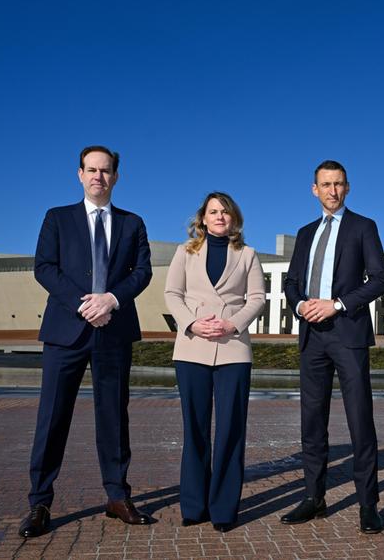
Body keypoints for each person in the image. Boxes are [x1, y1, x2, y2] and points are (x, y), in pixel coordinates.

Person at [19, 146, 153, 538]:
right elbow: (44, 267)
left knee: (113, 417)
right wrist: (85, 305)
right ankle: (40, 502)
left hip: (114, 330)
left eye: (106, 170)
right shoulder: (57, 219)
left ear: (115, 177)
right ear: (79, 174)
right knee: (52, 418)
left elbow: (142, 272)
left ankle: (116, 496)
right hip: (66, 333)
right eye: (91, 170)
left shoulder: (132, 223)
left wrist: (111, 299)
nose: (98, 176)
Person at [281, 160, 384, 534]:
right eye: (325, 185)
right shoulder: (305, 232)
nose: (332, 191)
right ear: (315, 189)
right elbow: (291, 282)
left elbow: (379, 280)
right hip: (312, 337)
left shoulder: (363, 227)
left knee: (360, 419)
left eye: (338, 184)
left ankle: (367, 504)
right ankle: (314, 498)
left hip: (348, 333)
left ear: (347, 187)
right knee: (312, 421)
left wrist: (337, 304)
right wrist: (299, 305)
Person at [164, 192, 265, 532]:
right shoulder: (184, 252)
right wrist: (191, 323)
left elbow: (257, 299)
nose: (220, 216)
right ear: (203, 219)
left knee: (230, 430)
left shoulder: (248, 255)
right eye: (213, 211)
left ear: (234, 219)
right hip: (192, 347)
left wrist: (233, 323)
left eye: (225, 211)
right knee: (194, 428)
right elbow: (171, 295)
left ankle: (223, 509)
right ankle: (193, 505)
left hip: (234, 348)